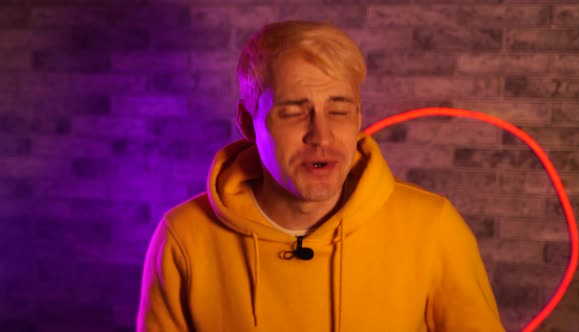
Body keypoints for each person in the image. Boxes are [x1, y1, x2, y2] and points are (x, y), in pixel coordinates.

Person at [137, 20, 505, 331]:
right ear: (249, 123)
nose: (322, 136)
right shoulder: (183, 238)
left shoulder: (434, 228)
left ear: (359, 117)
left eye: (339, 111)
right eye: (294, 111)